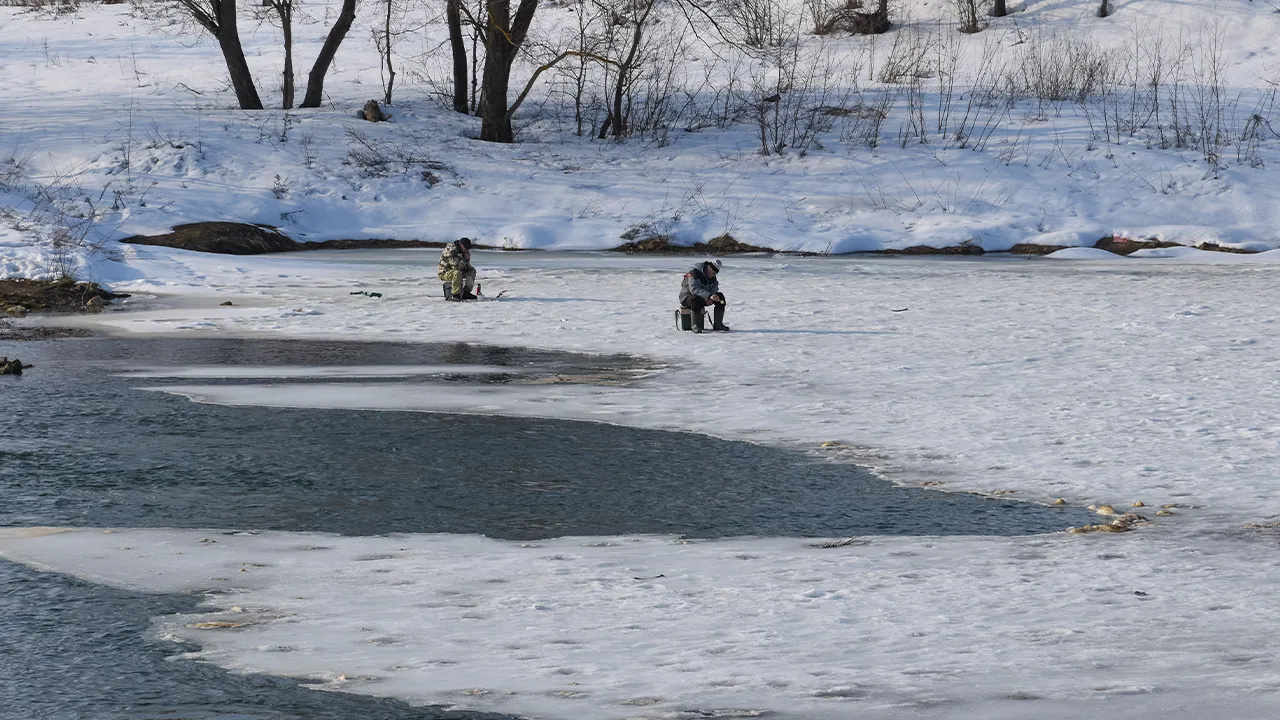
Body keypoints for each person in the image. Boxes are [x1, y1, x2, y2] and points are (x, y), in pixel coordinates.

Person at [679, 259, 729, 332]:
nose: (713, 275)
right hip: (687, 297)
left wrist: (712, 297)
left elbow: (714, 287)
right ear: (708, 267)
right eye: (713, 272)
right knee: (696, 298)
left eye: (715, 273)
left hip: (703, 298)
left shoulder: (712, 277)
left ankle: (718, 324)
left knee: (720, 297)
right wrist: (709, 296)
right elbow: (694, 289)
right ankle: (695, 325)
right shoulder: (695, 273)